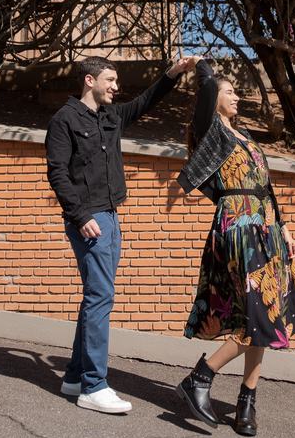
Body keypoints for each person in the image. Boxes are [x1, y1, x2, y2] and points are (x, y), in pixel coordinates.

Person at [45, 54, 200, 414]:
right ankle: (94, 386)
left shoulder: (110, 116)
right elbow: (57, 173)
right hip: (89, 219)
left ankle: (74, 375)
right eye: (110, 80)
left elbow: (147, 101)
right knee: (101, 297)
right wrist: (81, 215)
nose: (116, 87)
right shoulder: (64, 120)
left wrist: (173, 73)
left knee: (94, 297)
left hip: (111, 215)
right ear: (90, 80)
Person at [174, 60, 295, 436]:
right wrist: (202, 67)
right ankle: (200, 378)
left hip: (266, 229)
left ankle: (246, 401)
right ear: (213, 98)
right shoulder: (211, 131)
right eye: (228, 91)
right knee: (260, 312)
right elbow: (205, 89)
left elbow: (266, 187)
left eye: (235, 91)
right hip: (238, 226)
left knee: (265, 315)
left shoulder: (245, 134)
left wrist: (285, 228)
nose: (236, 96)